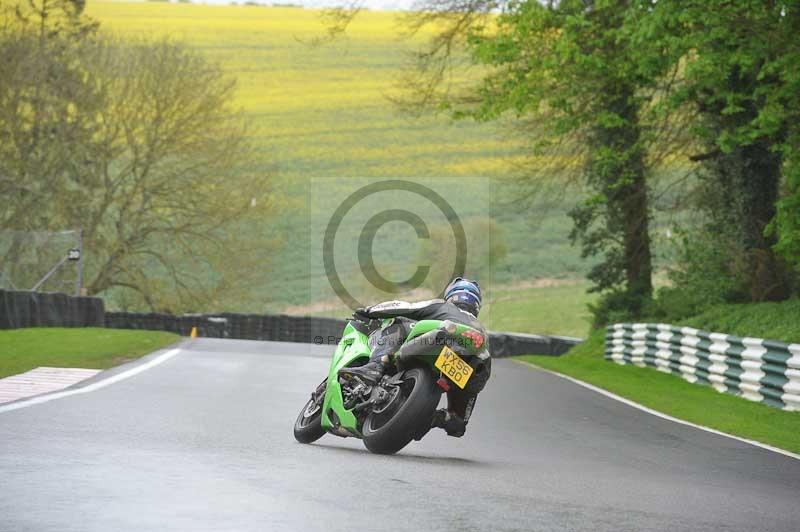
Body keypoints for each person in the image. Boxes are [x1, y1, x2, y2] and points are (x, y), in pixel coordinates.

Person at [338, 277, 491, 437]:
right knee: (457, 423)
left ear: (451, 295)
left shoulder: (443, 306)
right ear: (476, 305)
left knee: (398, 322)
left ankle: (376, 367)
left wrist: (369, 311)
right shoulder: (481, 331)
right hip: (475, 362)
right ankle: (438, 418)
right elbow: (474, 390)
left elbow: (405, 307)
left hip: (439, 341)